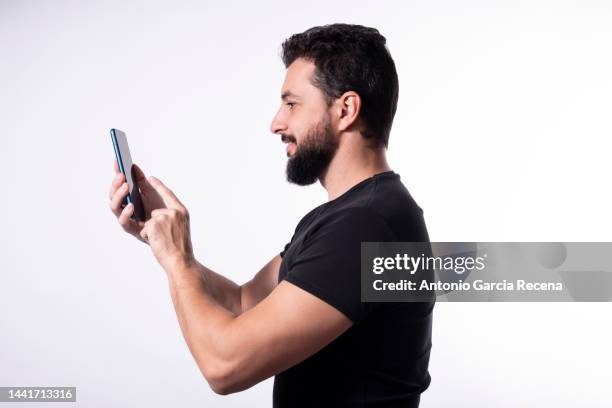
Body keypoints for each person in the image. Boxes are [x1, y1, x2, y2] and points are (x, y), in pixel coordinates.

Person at [108, 23, 434, 407]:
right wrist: (166, 243)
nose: (276, 123)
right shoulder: (353, 215)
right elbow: (246, 302)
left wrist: (177, 260)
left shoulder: (365, 226)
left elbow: (224, 365)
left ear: (346, 110)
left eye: (292, 104)